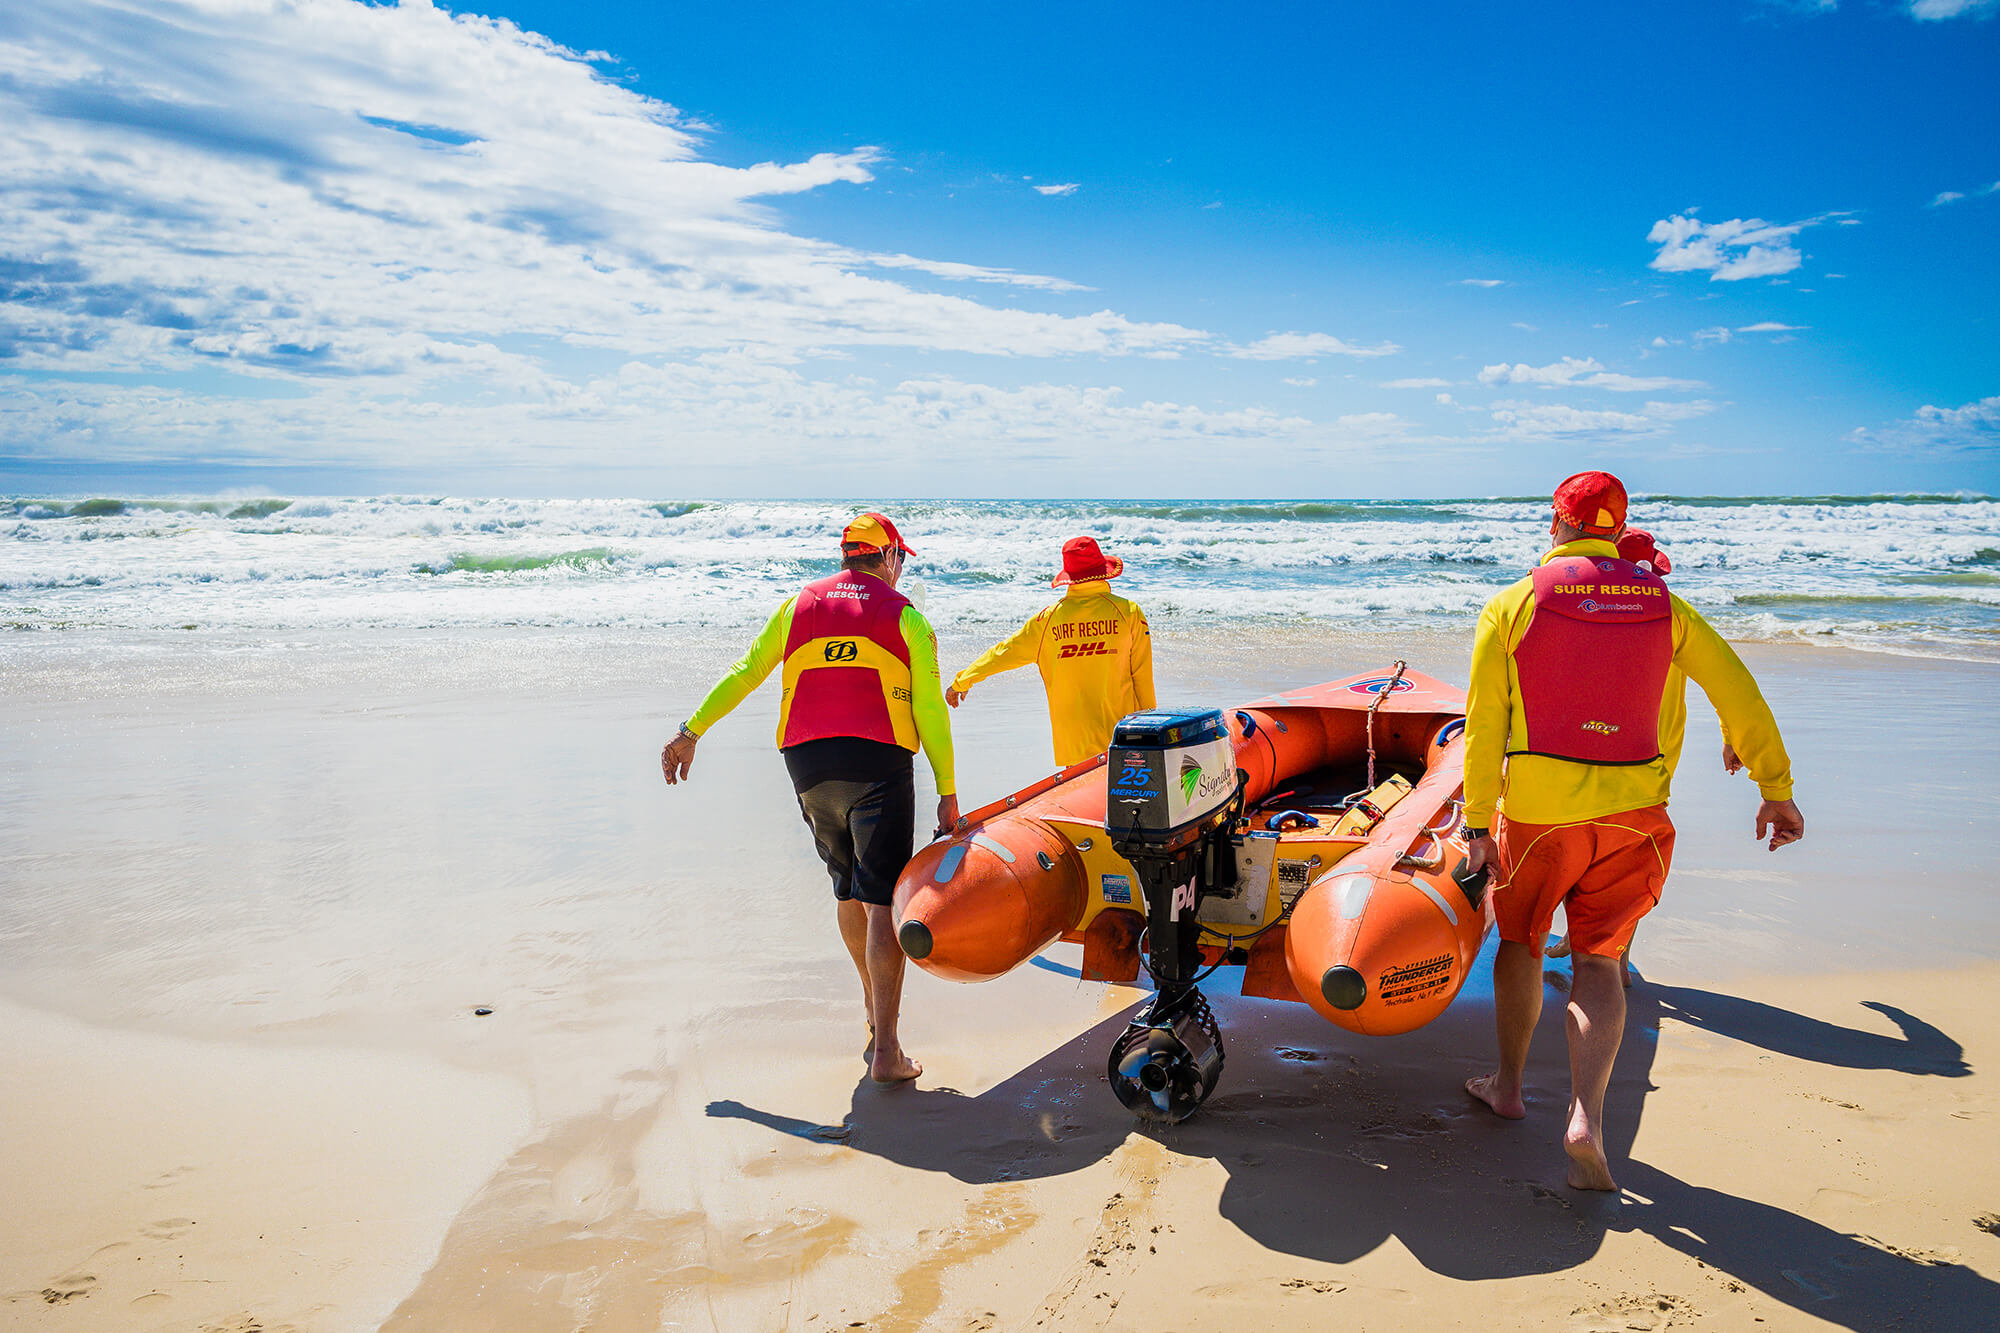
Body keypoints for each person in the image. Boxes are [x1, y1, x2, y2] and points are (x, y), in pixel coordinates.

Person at [1460, 472, 1805, 1190]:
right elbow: (1737, 687)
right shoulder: (1666, 606)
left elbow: (1485, 726)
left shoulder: (1511, 605)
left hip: (1538, 816)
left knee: (1522, 944)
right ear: (1617, 533)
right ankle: (1587, 1116)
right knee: (1599, 964)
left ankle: (1510, 1085)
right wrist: (1776, 789)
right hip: (1635, 820)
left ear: (1556, 525)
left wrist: (1475, 825)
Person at [660, 512, 957, 1085]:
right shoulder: (905, 617)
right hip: (878, 762)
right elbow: (930, 711)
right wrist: (947, 789)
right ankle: (888, 1054)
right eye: (901, 560)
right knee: (882, 901)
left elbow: (746, 671)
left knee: (847, 887)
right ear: (890, 557)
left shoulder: (797, 606)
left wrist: (691, 731)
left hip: (807, 764)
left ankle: (873, 1013)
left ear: (848, 556)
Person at [945, 536, 1155, 766]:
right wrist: (1152, 737)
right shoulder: (1128, 612)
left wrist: (963, 680)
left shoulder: (1046, 621)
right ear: (1103, 572)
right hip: (1123, 743)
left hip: (1074, 748)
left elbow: (1003, 652)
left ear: (1070, 576)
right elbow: (1142, 677)